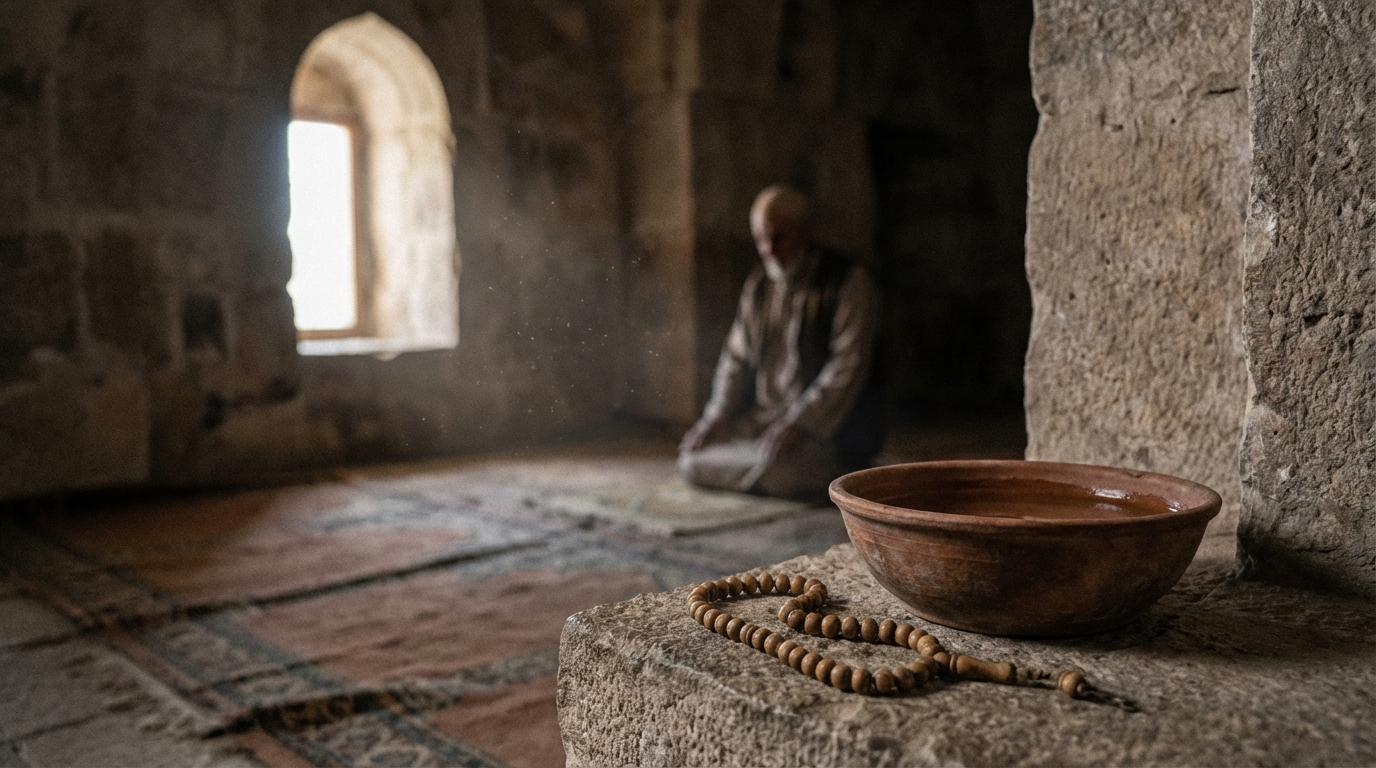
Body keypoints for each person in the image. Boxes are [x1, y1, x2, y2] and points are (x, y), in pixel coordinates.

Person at [678, 185, 883, 499]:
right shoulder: (759, 286)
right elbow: (735, 358)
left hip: (823, 431)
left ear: (807, 233)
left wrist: (798, 425)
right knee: (692, 460)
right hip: (764, 423)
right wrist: (715, 417)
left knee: (779, 471)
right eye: (761, 239)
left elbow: (847, 367)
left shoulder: (849, 282)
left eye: (778, 238)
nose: (768, 250)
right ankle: (760, 469)